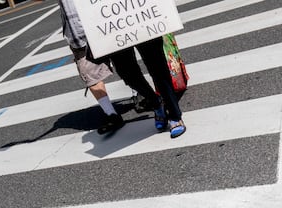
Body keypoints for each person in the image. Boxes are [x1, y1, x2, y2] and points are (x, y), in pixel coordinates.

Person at [58, 0, 186, 138]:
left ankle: (174, 114)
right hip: (110, 19)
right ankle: (156, 103)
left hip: (138, 11)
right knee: (127, 73)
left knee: (157, 66)